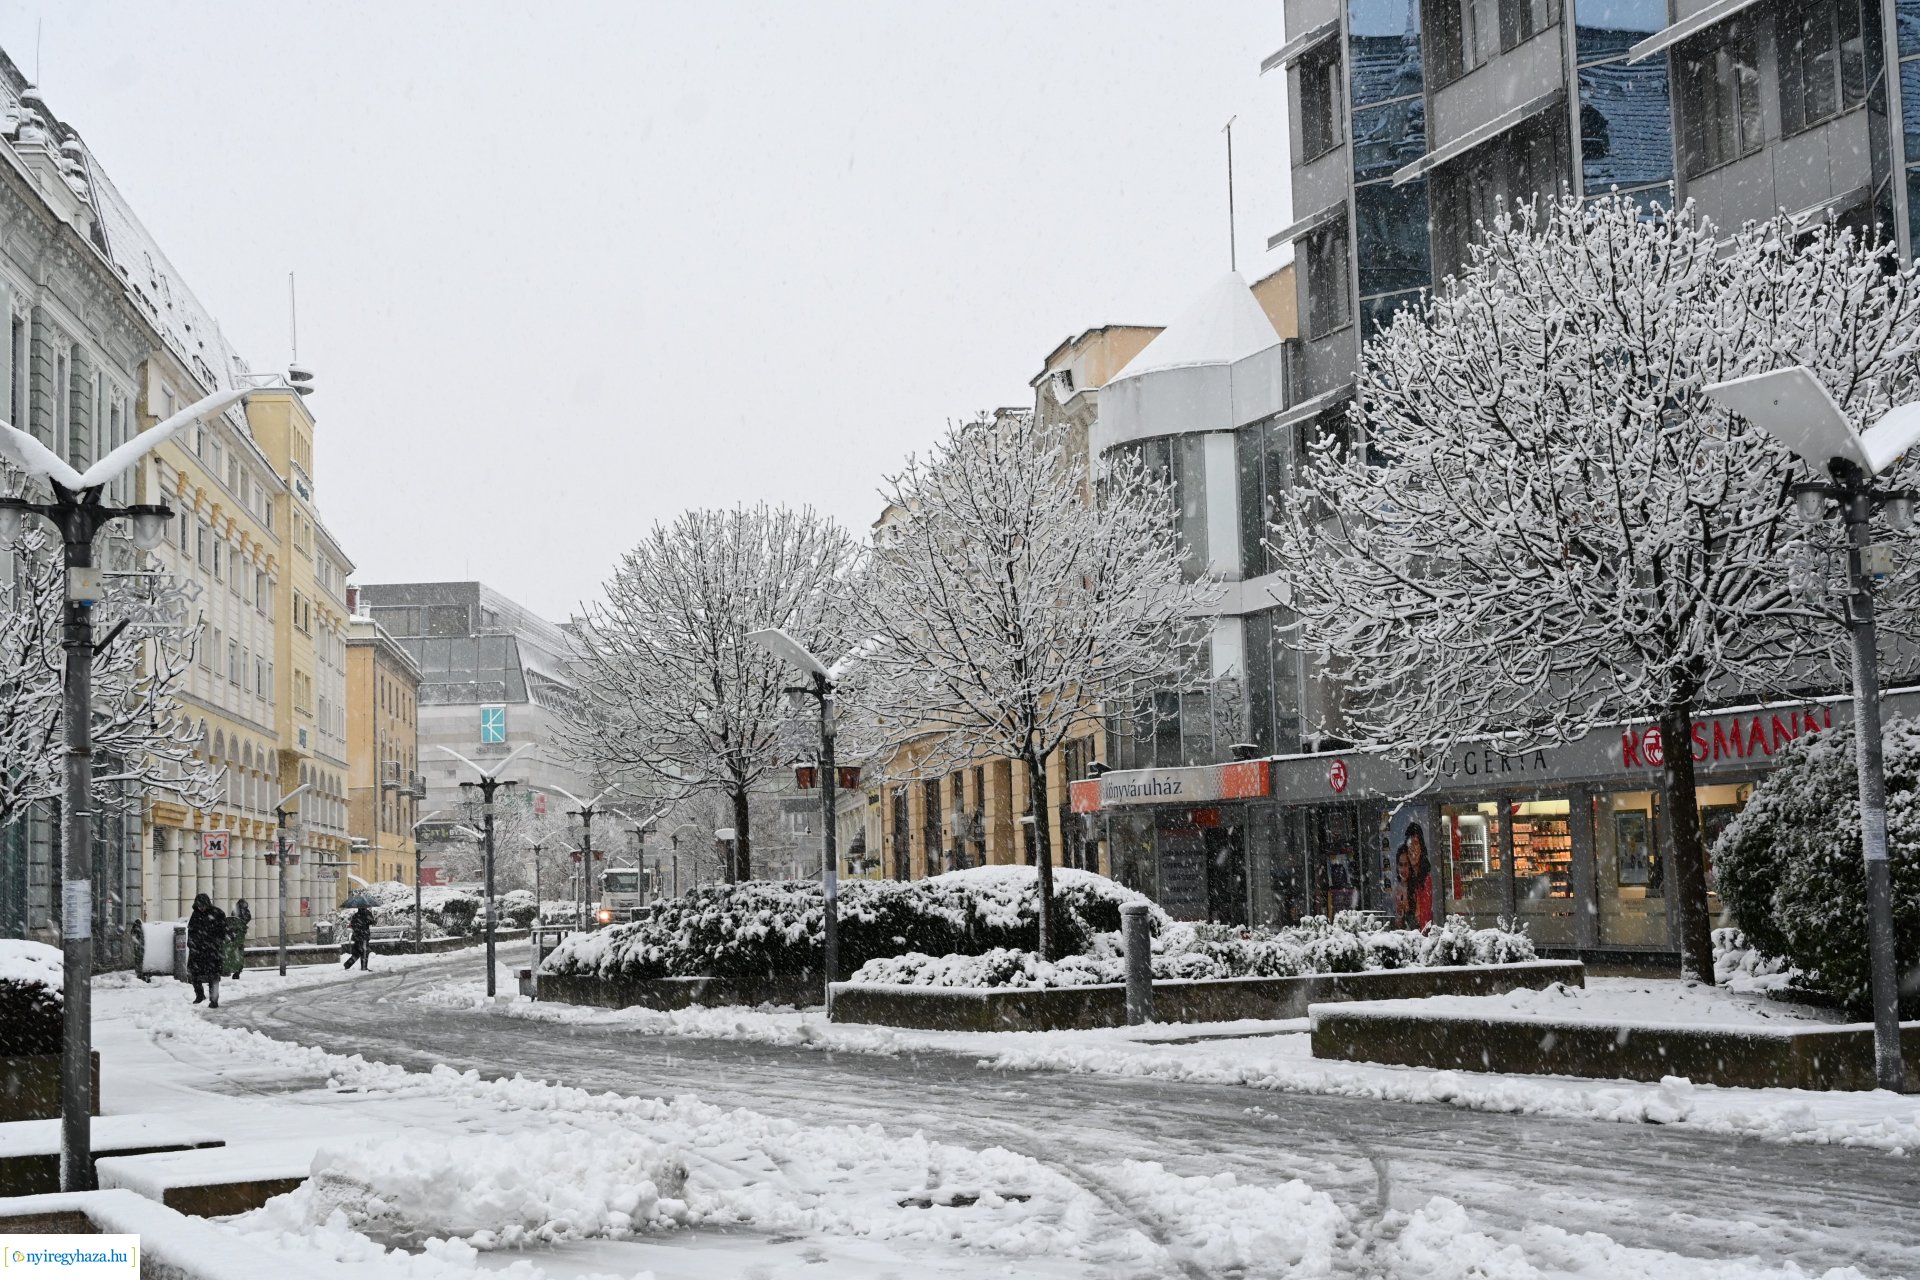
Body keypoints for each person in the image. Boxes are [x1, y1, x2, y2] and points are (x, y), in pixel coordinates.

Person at [186, 893, 228, 1008]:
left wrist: (214, 943)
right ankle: (199, 995)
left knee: (213, 976)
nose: (201, 908)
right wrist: (191, 944)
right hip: (198, 951)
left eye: (203, 905)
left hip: (212, 951)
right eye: (199, 906)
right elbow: (191, 931)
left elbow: (223, 932)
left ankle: (214, 1000)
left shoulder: (218, 913)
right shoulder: (195, 915)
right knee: (194, 974)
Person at [1403, 822, 1434, 930]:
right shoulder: (1409, 879)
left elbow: (1426, 917)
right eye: (1409, 844)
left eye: (1415, 843)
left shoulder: (1428, 878)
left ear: (1422, 847)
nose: (1412, 848)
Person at [224, 898, 251, 980]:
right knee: (238, 951)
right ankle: (236, 969)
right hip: (237, 933)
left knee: (235, 950)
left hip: (235, 933)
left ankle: (235, 969)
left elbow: (233, 920)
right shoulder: (242, 911)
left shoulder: (238, 911)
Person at [345, 904, 374, 971]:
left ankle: (348, 964)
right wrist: (368, 919)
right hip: (364, 936)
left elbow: (352, 925)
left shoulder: (356, 915)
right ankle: (364, 967)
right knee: (364, 952)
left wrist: (358, 929)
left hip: (357, 936)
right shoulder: (367, 914)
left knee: (358, 952)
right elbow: (372, 922)